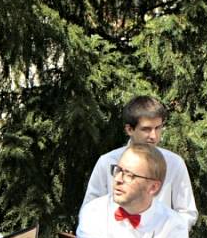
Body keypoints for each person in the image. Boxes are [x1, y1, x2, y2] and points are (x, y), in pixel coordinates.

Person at [82, 96, 197, 229]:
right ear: (129, 129)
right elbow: (90, 209)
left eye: (158, 128)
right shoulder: (107, 162)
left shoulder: (175, 164)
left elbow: (187, 212)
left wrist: (166, 235)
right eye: (146, 129)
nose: (153, 136)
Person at [77, 143, 190, 238]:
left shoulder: (173, 224)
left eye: (129, 175)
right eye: (118, 170)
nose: (118, 179)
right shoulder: (94, 213)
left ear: (153, 187)